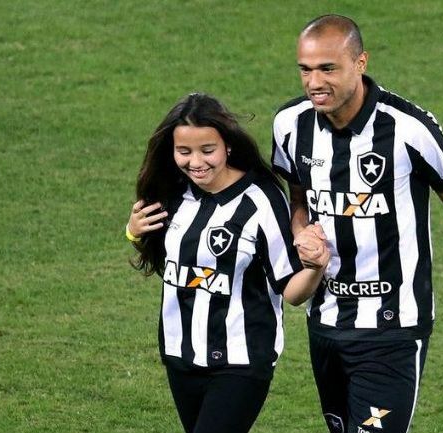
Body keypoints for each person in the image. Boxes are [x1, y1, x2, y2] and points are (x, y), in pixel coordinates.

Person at [271, 15, 443, 433]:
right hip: (325, 319)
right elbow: (297, 196)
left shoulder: (408, 129)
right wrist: (300, 234)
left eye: (328, 68)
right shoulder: (290, 124)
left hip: (393, 327)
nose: (314, 82)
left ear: (360, 62)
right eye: (305, 69)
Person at [126, 93, 329, 433]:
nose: (195, 162)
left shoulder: (261, 201)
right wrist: (133, 232)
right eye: (184, 151)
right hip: (180, 355)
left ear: (228, 146)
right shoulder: (171, 192)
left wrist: (314, 267)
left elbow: (291, 291)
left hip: (241, 362)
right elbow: (167, 258)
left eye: (207, 150)